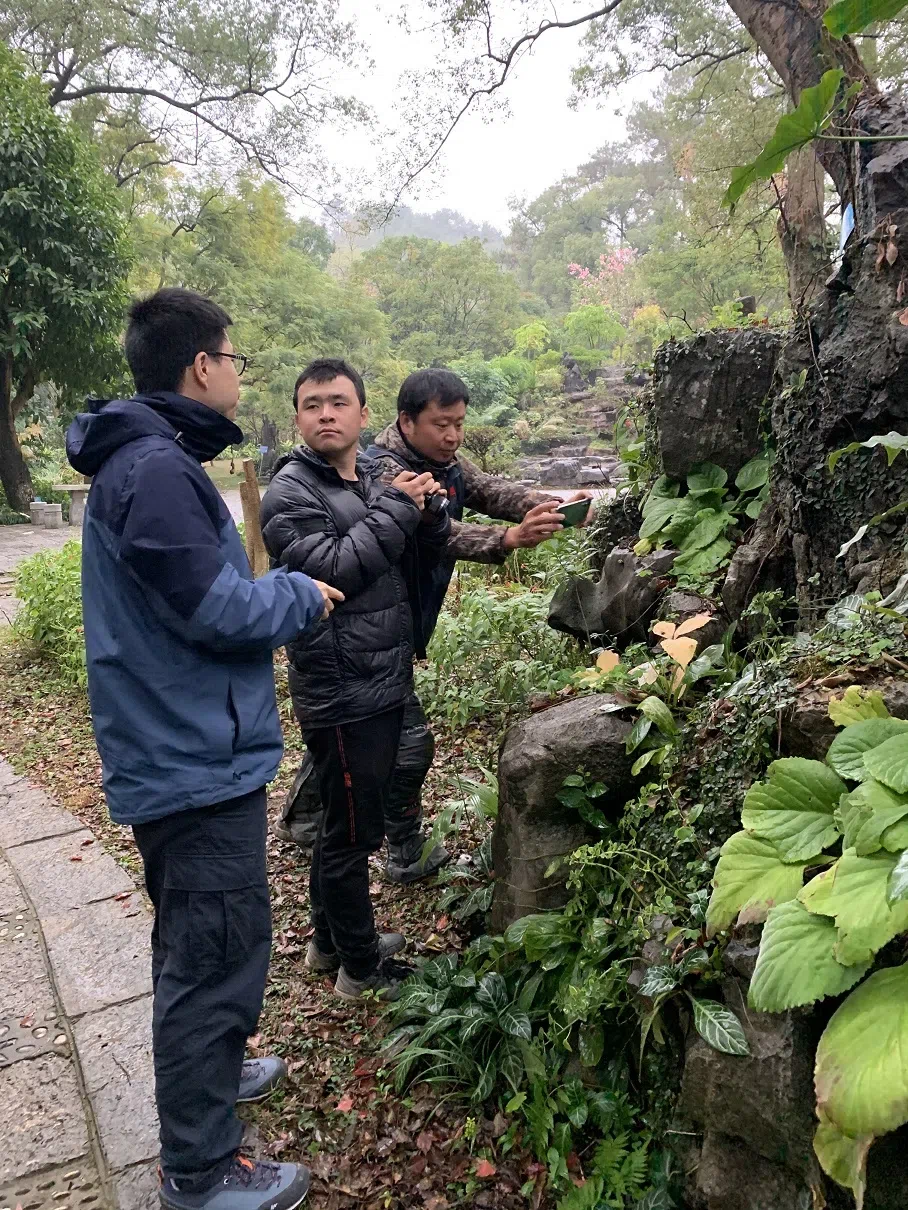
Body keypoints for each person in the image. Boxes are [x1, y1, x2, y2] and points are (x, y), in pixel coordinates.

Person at [66, 288, 340, 1210]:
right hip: (188, 760)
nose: (235, 372)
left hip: (184, 746)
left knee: (200, 938)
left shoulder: (149, 461)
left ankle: (212, 1075)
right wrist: (298, 593)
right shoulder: (153, 469)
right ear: (201, 367)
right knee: (213, 953)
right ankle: (201, 1167)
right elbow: (216, 608)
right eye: (234, 358)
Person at [276, 367, 592, 880]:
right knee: (401, 742)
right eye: (442, 424)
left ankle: (313, 818)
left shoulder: (440, 458)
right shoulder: (380, 469)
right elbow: (436, 534)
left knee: (359, 739)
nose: (453, 436)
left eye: (460, 424)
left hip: (399, 621)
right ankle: (397, 848)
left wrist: (552, 504)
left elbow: (487, 490)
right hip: (363, 629)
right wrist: (506, 541)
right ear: (405, 421)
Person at [260, 358, 451, 1000]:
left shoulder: (372, 470)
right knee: (351, 831)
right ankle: (360, 966)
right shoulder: (289, 494)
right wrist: (401, 504)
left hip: (382, 677)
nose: (326, 414)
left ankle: (327, 941)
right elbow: (339, 570)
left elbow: (416, 537)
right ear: (297, 417)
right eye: (312, 404)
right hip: (341, 690)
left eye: (338, 403)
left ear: (363, 414)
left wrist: (428, 510)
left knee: (346, 819)